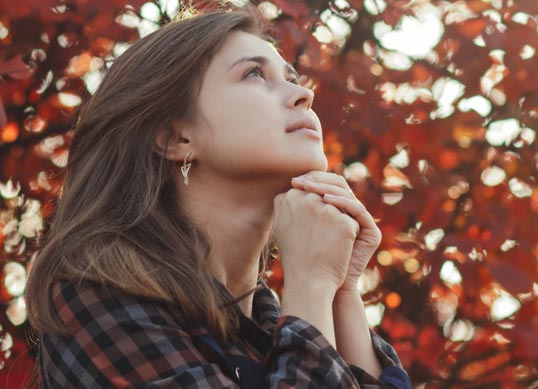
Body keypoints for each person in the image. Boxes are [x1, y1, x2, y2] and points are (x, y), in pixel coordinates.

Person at [23, 5, 411, 388]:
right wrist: (310, 284)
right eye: (254, 73)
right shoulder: (95, 294)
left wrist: (341, 290)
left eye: (292, 77)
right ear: (176, 137)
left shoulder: (272, 323)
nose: (302, 94)